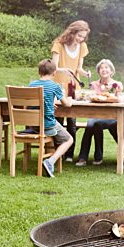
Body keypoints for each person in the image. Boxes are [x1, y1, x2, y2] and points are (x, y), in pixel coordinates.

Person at [51, 20, 92, 162]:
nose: (80, 39)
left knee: (72, 121)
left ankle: (69, 154)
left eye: (83, 37)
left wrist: (85, 73)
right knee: (58, 121)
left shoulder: (82, 46)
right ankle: (58, 153)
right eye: (79, 36)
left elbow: (78, 68)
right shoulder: (58, 44)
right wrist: (64, 70)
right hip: (58, 86)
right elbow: (53, 68)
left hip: (73, 88)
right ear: (72, 32)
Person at [28, 59, 74, 178]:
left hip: (33, 125)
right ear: (54, 73)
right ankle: (50, 161)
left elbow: (31, 104)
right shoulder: (55, 86)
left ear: (39, 72)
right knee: (68, 139)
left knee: (55, 134)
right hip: (47, 124)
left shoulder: (32, 85)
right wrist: (70, 100)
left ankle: (50, 157)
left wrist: (48, 104)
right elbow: (66, 104)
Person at [75, 59, 123, 167]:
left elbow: (118, 99)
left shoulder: (116, 84)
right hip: (95, 115)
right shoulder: (93, 84)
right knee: (93, 124)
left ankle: (86, 157)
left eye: (106, 68)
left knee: (93, 123)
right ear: (98, 71)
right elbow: (89, 97)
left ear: (111, 71)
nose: (104, 70)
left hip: (111, 116)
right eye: (101, 68)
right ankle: (87, 157)